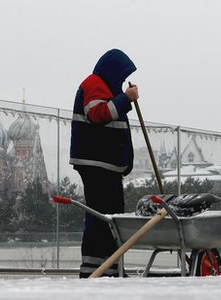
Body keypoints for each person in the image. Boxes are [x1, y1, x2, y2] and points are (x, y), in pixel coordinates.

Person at [69, 49, 138, 278]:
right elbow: (98, 113)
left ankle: (109, 267)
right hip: (97, 165)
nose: (122, 81)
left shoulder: (104, 86)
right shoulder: (95, 83)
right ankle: (95, 269)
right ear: (114, 70)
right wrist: (125, 99)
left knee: (111, 219)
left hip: (105, 167)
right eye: (121, 75)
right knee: (103, 219)